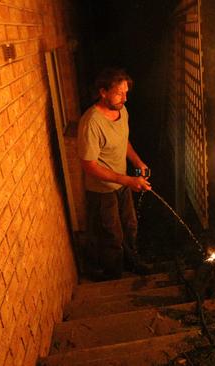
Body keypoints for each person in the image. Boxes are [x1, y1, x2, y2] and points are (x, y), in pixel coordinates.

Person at [78, 67, 152, 279]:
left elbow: (123, 141)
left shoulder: (121, 111)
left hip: (122, 183)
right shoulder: (91, 123)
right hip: (102, 190)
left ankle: (132, 262)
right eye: (119, 93)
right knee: (111, 235)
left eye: (126, 92)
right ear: (103, 92)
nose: (124, 98)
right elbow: (89, 165)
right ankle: (114, 275)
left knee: (130, 226)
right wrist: (127, 179)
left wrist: (138, 161)